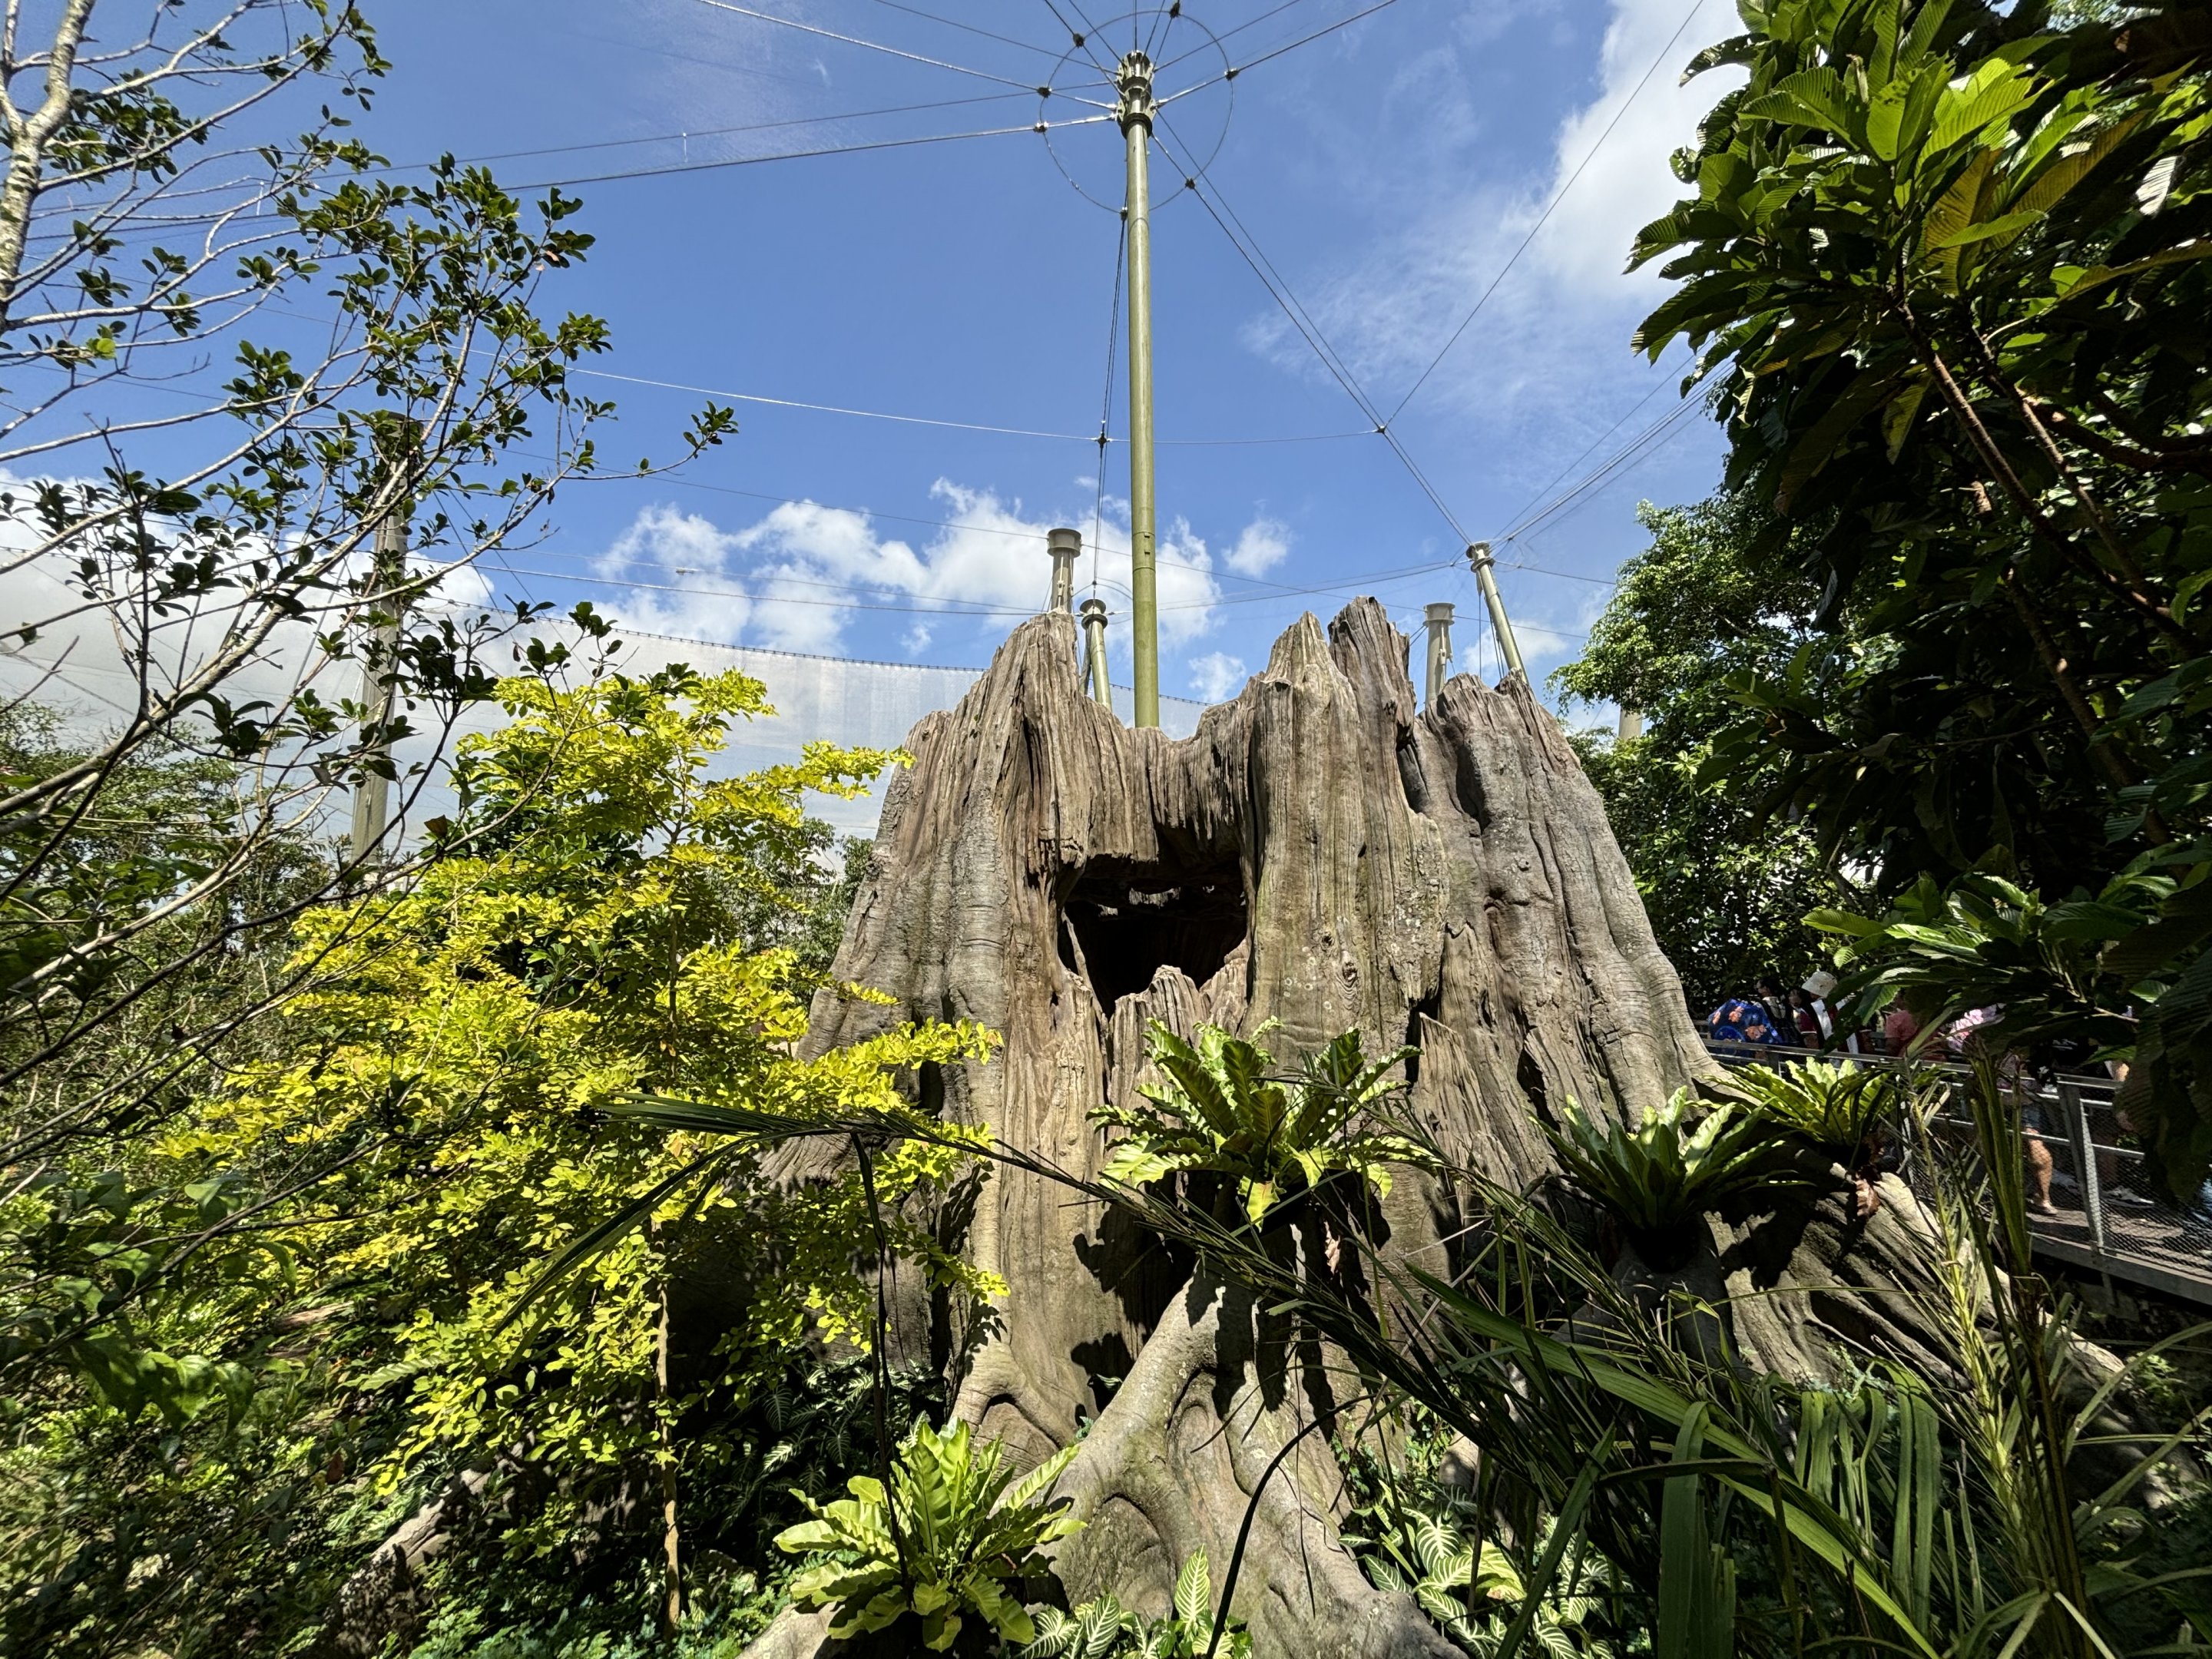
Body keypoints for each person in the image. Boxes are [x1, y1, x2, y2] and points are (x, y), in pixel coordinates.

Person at [1949, 1006, 2056, 1216]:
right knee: (2032, 1140)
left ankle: (2000, 1190)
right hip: (2025, 1088)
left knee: (1986, 1140)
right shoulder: (2031, 1012)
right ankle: (2043, 1198)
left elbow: (1954, 1042)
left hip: (1989, 1086)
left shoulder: (1976, 1014)